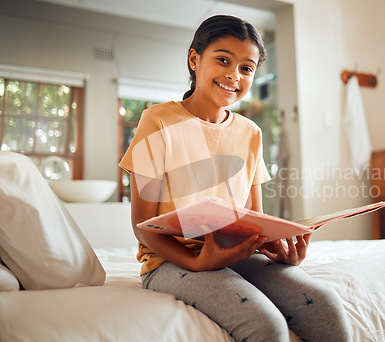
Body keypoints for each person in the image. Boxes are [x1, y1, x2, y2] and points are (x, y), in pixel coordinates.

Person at [119, 15, 352, 342]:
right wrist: (199, 262)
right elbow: (144, 226)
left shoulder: (250, 133)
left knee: (325, 304)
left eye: (246, 67)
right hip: (171, 261)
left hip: (236, 255)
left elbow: (252, 221)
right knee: (265, 323)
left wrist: (280, 251)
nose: (234, 75)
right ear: (194, 59)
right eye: (223, 60)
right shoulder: (157, 122)